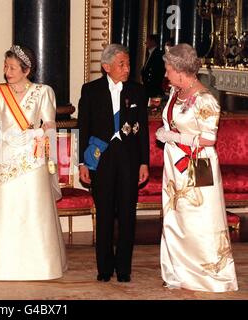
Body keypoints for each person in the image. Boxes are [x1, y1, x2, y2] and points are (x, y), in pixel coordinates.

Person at [155, 44, 238, 292]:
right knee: (176, 219)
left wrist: (174, 138)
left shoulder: (206, 100)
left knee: (200, 219)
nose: (166, 74)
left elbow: (209, 139)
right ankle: (179, 272)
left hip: (197, 164)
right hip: (174, 166)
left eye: (169, 69)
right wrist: (169, 136)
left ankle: (210, 277)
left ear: (181, 70)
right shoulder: (175, 92)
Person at [0, 45, 67, 280]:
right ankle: (0, 266)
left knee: (33, 209)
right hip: (5, 155)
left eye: (12, 67)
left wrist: (33, 134)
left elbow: (50, 125)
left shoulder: (43, 92)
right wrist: (2, 135)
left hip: (33, 157)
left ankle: (40, 266)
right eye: (5, 66)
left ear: (26, 70)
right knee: (6, 208)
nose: (7, 71)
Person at [78, 44, 149, 283]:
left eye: (128, 64)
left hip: (129, 160)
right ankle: (105, 268)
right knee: (105, 214)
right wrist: (82, 163)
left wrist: (144, 162)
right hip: (102, 159)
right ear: (106, 67)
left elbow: (144, 132)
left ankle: (124, 269)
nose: (127, 68)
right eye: (122, 64)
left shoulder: (138, 91)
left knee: (128, 215)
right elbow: (83, 129)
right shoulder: (90, 91)